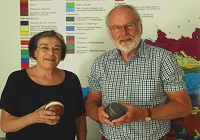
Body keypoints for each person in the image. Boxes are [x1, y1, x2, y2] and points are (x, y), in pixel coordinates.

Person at [85, 4, 192, 140]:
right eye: (116, 27)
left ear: (140, 27)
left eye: (129, 25)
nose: (123, 33)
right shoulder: (100, 63)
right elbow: (92, 102)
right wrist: (96, 113)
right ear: (110, 32)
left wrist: (144, 113)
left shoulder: (164, 59)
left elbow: (183, 107)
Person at [0, 30, 87, 140]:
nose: (51, 53)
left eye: (56, 49)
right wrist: (34, 117)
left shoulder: (71, 80)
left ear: (61, 54)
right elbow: (5, 125)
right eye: (44, 48)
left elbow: (80, 119)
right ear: (34, 52)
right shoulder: (17, 79)